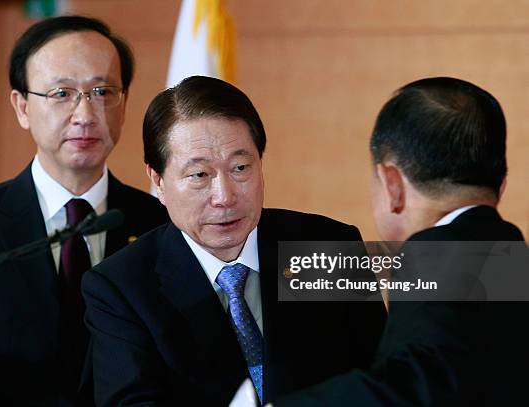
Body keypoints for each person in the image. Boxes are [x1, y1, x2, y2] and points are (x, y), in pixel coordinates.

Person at [82, 75, 387, 406]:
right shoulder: (122, 288)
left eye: (240, 167)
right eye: (199, 175)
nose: (224, 197)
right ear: (157, 180)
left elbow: (377, 381)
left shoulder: (328, 248)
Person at [0, 15, 168, 405]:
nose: (85, 115)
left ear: (124, 104)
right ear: (21, 106)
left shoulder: (159, 225)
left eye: (102, 91)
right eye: (61, 93)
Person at [275, 77, 527, 406]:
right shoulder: (510, 256)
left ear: (392, 184)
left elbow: (413, 388)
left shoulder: (435, 260)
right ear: (501, 184)